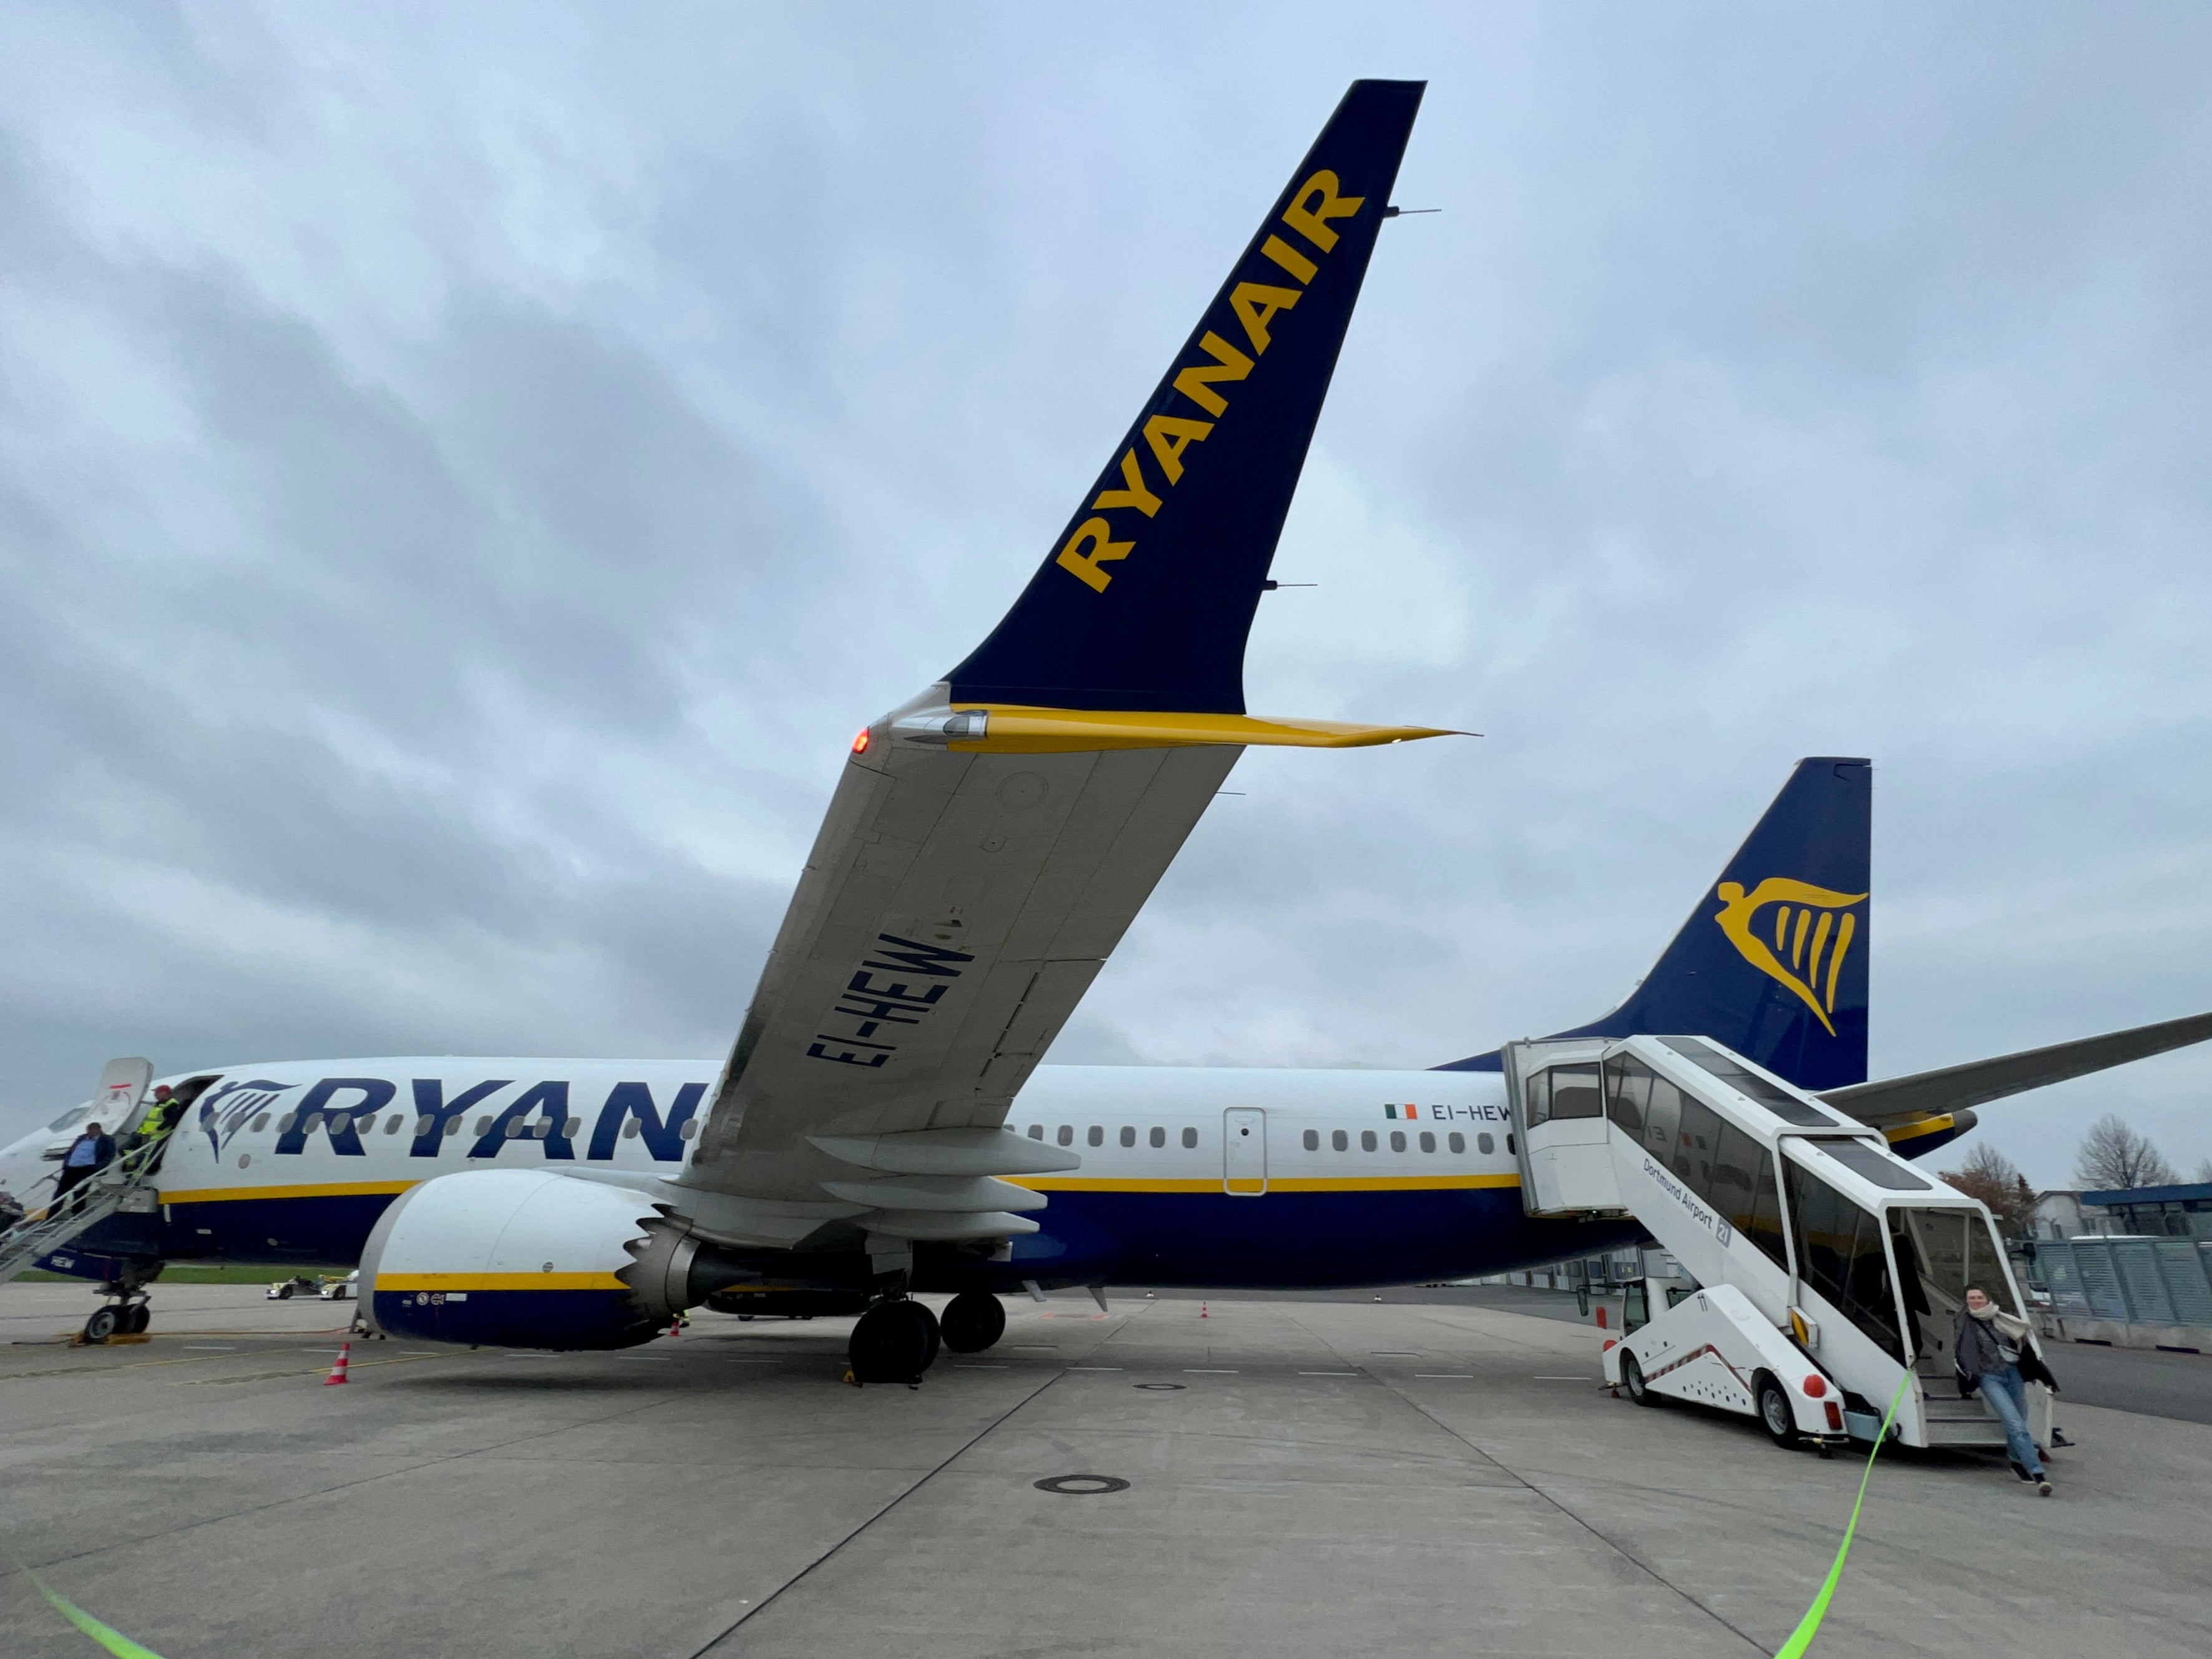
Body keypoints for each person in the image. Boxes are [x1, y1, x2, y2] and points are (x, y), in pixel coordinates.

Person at [1956, 1284, 2055, 1496]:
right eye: (1971, 1298)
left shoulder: (2002, 1318)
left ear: (1987, 1298)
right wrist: (1971, 1374)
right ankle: (2038, 1474)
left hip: (2013, 1374)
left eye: (1979, 1297)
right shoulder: (1966, 1323)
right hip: (1989, 1377)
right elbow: (1963, 1351)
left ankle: (2016, 1460)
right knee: (2015, 1424)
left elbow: (2023, 1344)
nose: (1975, 1301)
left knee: (2020, 1422)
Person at [52, 1121, 116, 1213]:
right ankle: (52, 1215)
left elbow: (109, 1156)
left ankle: (77, 1213)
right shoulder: (82, 1138)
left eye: (92, 1131)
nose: (89, 1133)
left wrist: (97, 1167)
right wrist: (66, 1163)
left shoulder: (107, 1140)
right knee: (60, 1193)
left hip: (86, 1168)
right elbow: (71, 1151)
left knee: (80, 1192)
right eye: (88, 1131)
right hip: (71, 1168)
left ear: (98, 1130)